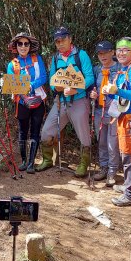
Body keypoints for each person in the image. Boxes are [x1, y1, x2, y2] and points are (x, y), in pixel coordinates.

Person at [36, 27, 95, 177]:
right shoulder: (56, 58)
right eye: (57, 41)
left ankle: (83, 165)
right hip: (61, 101)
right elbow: (51, 80)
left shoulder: (81, 55)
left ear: (70, 39)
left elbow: (89, 77)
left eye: (63, 40)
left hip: (79, 100)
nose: (60, 43)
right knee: (47, 131)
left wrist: (76, 88)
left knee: (83, 134)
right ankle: (48, 160)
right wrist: (56, 87)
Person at [101, 37, 131, 206]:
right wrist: (109, 92)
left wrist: (116, 90)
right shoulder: (123, 70)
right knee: (125, 153)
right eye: (119, 50)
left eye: (126, 50)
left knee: (130, 156)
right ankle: (129, 185)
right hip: (122, 117)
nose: (121, 53)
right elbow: (119, 95)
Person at [6, 32, 48, 173]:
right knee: (23, 131)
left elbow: (43, 77)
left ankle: (31, 163)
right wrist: (21, 90)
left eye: (26, 44)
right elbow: (12, 84)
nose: (23, 46)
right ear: (16, 46)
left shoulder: (37, 59)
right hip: (22, 102)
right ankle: (24, 161)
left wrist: (30, 85)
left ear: (30, 46)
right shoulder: (12, 64)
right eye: (20, 44)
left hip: (38, 99)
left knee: (35, 130)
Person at [88, 41, 121, 185]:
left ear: (112, 52)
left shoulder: (120, 68)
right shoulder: (97, 70)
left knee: (112, 143)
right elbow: (92, 86)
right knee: (101, 142)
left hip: (114, 111)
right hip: (99, 109)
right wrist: (93, 93)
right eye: (100, 53)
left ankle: (112, 173)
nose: (103, 56)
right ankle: (103, 168)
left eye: (106, 52)